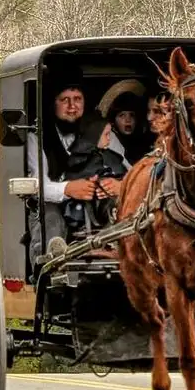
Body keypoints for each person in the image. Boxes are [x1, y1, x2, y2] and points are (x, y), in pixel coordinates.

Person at [25, 79, 129, 264]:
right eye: (65, 100)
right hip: (58, 205)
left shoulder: (104, 132)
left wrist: (120, 186)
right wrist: (68, 189)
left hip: (101, 202)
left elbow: (131, 173)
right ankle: (52, 262)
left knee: (120, 206)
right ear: (53, 104)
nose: (72, 106)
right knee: (50, 216)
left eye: (77, 99)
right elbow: (37, 186)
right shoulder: (37, 137)